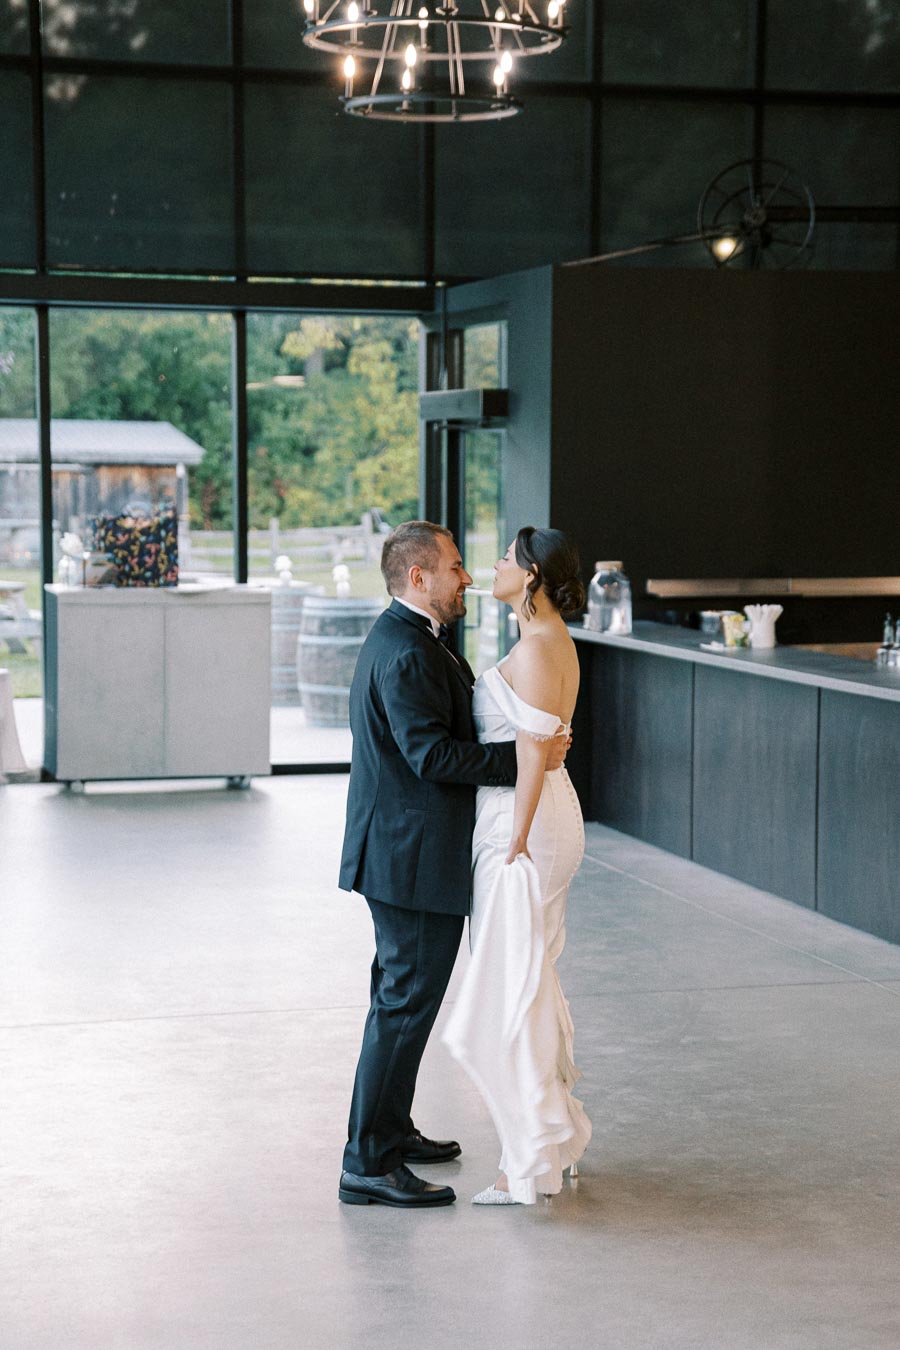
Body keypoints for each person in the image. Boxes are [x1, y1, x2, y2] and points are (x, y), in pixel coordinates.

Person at [337, 520, 568, 1209]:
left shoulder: (408, 638)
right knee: (404, 1004)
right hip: (408, 858)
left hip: (406, 852)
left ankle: (389, 1129)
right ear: (419, 578)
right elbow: (430, 757)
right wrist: (528, 756)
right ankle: (367, 1162)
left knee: (403, 1001)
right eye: (456, 566)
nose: (465, 576)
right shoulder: (406, 652)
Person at [443, 526, 592, 1205]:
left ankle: (523, 1166)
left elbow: (534, 753)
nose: (494, 565)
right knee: (528, 976)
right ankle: (546, 1149)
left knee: (515, 985)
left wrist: (516, 843)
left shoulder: (538, 647)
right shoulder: (551, 641)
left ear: (530, 575)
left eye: (506, 557)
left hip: (522, 822)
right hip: (538, 815)